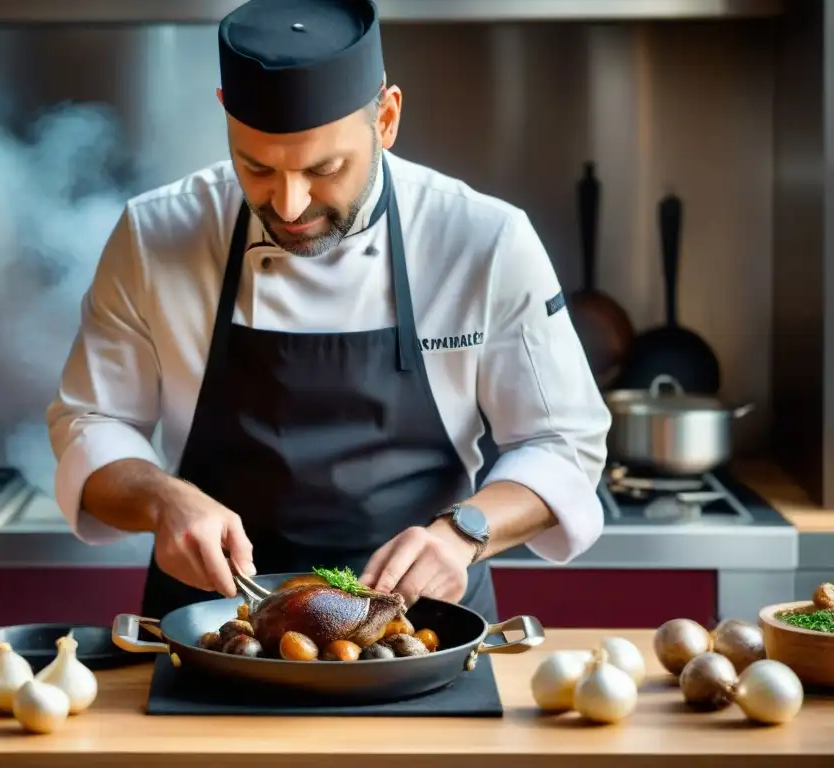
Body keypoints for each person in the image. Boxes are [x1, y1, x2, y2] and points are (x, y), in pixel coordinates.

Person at [46, 0, 611, 624]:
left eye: (325, 168)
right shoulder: (156, 234)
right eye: (256, 167)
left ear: (387, 117)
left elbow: (562, 443)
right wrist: (161, 500)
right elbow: (91, 421)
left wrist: (464, 532)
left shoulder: (483, 240)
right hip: (213, 630)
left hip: (424, 630)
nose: (289, 205)